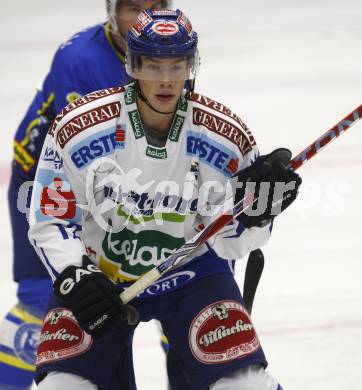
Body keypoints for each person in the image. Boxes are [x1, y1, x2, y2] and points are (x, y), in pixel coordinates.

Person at [28, 9, 302, 389]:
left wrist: (255, 213)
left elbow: (231, 242)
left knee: (245, 385)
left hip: (193, 276)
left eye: (178, 66)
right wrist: (75, 275)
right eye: (153, 66)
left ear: (192, 66)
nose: (167, 80)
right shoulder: (80, 128)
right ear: (132, 64)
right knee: (62, 386)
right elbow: (52, 218)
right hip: (101, 276)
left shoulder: (225, 136)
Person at [0, 1, 171, 389]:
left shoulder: (169, 47)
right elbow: (95, 166)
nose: (145, 18)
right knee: (49, 301)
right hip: (49, 192)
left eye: (156, 5)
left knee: (177, 294)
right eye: (132, 7)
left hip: (118, 192)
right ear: (110, 10)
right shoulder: (81, 60)